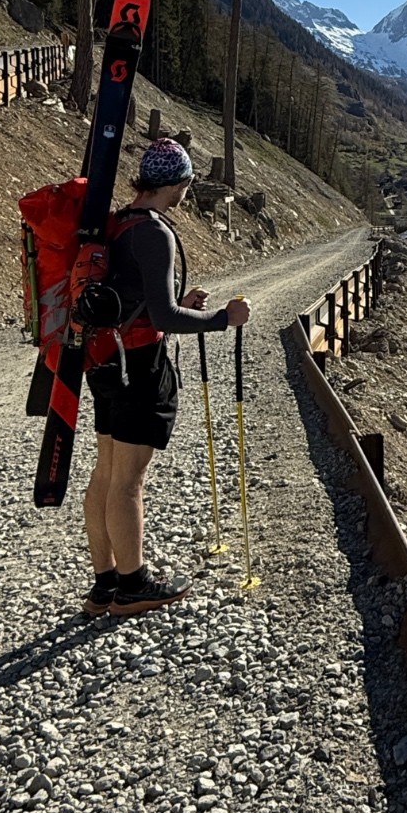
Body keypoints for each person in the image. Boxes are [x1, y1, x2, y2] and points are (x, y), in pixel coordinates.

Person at [81, 139, 251, 619]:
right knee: (129, 479)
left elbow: (140, 299)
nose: (186, 191)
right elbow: (162, 315)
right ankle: (134, 586)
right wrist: (223, 318)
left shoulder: (116, 222)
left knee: (107, 471)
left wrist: (182, 306)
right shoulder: (154, 233)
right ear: (176, 183)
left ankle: (105, 585)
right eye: (186, 182)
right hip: (139, 364)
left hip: (105, 358)